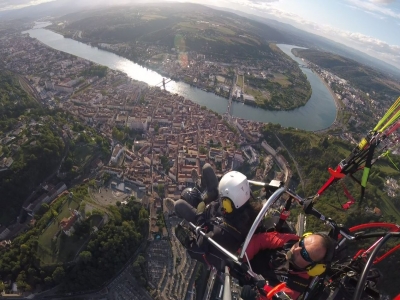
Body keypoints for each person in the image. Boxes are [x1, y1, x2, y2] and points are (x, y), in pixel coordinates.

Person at [174, 167, 261, 271]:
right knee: (207, 169)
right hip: (219, 211)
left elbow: (201, 242)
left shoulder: (220, 234)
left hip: (207, 219)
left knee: (178, 205)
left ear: (227, 203)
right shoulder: (249, 208)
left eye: (223, 198)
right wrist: (215, 200)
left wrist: (200, 214)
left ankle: (196, 198)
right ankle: (199, 186)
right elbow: (223, 204)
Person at [240, 231, 335, 300]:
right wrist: (241, 257)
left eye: (305, 254)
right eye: (302, 243)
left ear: (313, 267)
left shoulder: (295, 286)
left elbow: (271, 297)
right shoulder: (291, 241)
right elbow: (263, 239)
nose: (297, 249)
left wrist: (255, 296)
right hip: (241, 265)